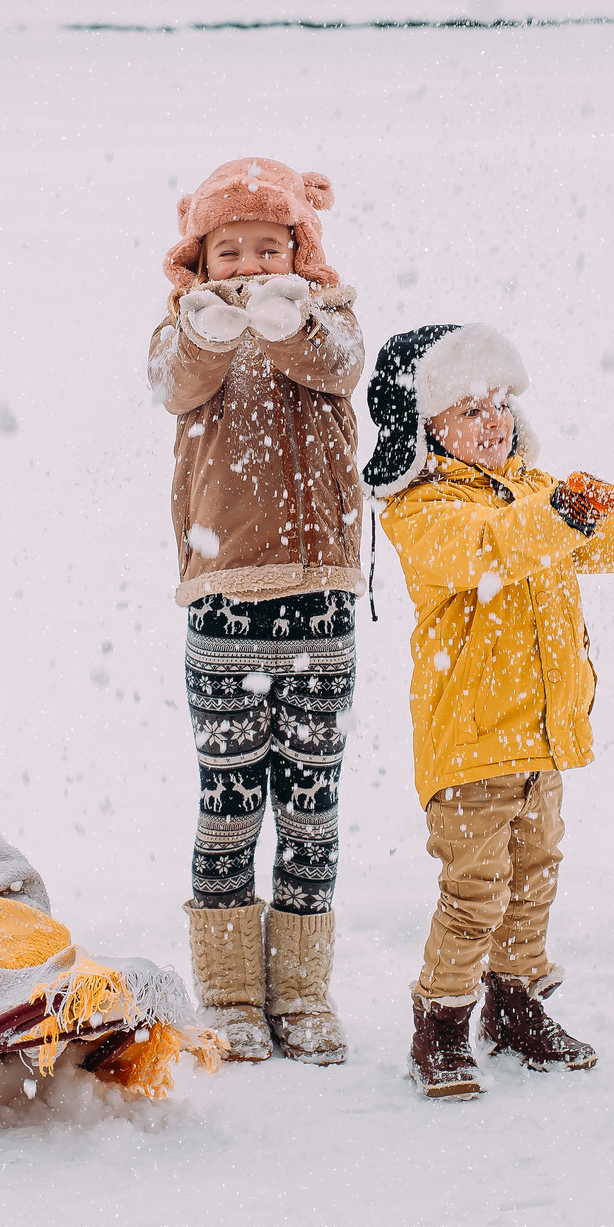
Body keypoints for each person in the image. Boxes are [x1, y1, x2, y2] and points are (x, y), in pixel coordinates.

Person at [363, 323, 614, 1100]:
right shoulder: (424, 511)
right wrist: (564, 510)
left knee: (534, 878)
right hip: (471, 746)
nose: (494, 419)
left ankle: (517, 1009)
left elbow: (613, 531)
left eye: (501, 402)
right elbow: (491, 546)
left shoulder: (536, 493)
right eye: (469, 407)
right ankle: (441, 1028)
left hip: (543, 740)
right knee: (474, 891)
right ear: (424, 426)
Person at [147, 158, 365, 1064]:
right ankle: (232, 992)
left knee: (311, 803)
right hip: (225, 599)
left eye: (264, 247)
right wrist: (211, 325)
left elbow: (336, 367)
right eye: (226, 250)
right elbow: (176, 386)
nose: (244, 265)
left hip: (319, 597)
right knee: (230, 801)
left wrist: (285, 317)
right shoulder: (182, 330)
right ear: (200, 257)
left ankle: (305, 992)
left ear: (297, 247)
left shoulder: (330, 317)